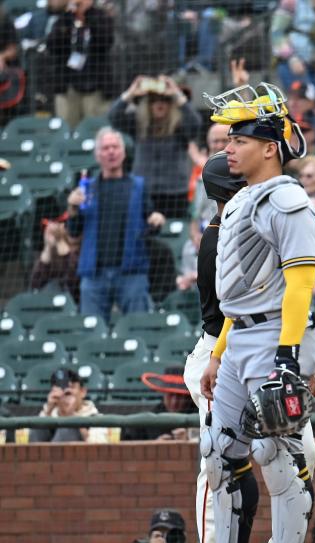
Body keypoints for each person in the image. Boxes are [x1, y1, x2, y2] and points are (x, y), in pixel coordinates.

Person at [176, 82, 315, 543]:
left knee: (276, 454)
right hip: (238, 337)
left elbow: (301, 280)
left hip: (274, 336)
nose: (228, 145)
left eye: (239, 138)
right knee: (219, 454)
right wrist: (216, 355)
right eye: (228, 137)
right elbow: (238, 293)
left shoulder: (287, 198)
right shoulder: (240, 203)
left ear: (269, 147)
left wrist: (287, 356)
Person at [182, 150, 315, 543]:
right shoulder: (221, 236)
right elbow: (242, 313)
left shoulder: (251, 223)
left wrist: (308, 339)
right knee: (220, 459)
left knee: (290, 451)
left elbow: (285, 291)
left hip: (260, 343)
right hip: (225, 348)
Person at [65, 128, 165, 323]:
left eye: (115, 147)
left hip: (131, 272)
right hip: (94, 275)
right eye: (105, 148)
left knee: (138, 328)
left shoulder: (138, 185)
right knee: (91, 332)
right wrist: (72, 208)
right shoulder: (85, 189)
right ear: (97, 155)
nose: (111, 152)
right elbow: (73, 232)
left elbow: (151, 223)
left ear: (123, 152)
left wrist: (156, 219)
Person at [108, 75, 203, 218]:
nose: (160, 104)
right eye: (154, 100)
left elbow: (195, 125)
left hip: (175, 194)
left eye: (165, 100)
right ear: (148, 104)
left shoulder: (180, 127)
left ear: (171, 103)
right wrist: (131, 93)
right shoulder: (138, 124)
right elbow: (114, 117)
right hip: (144, 193)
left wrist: (176, 95)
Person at [45, 0, 114, 129]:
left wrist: (88, 15)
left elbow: (106, 41)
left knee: (95, 130)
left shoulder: (101, 17)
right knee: (67, 130)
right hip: (68, 86)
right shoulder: (64, 19)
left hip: (96, 86)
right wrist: (67, 18)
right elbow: (52, 46)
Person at [29, 368, 101, 443]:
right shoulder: (47, 413)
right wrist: (48, 411)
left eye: (71, 387)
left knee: (68, 428)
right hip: (42, 454)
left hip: (78, 454)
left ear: (83, 392)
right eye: (61, 388)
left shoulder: (95, 418)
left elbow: (98, 448)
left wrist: (70, 416)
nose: (66, 392)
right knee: (39, 427)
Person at [30, 212, 80, 302]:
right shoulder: (52, 253)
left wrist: (60, 241)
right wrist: (48, 247)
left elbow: (73, 281)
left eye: (60, 223)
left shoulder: (80, 247)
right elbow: (35, 284)